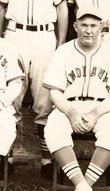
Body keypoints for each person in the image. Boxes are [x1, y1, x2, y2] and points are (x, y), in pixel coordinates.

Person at [43, 7, 110, 191]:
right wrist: (71, 113)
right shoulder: (63, 51)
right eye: (83, 25)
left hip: (101, 107)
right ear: (75, 26)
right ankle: (83, 188)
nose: (88, 30)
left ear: (101, 27)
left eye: (93, 25)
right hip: (68, 105)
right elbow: (54, 91)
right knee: (53, 127)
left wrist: (95, 113)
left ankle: (82, 188)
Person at [0, 0, 68, 180]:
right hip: (15, 33)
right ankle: (7, 157)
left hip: (44, 35)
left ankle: (46, 160)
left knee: (45, 98)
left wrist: (61, 42)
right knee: (11, 97)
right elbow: (1, 7)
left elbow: (62, 8)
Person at [0, 38, 24, 179]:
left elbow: (16, 83)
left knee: (5, 124)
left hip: (1, 98)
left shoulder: (6, 46)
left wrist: (2, 102)